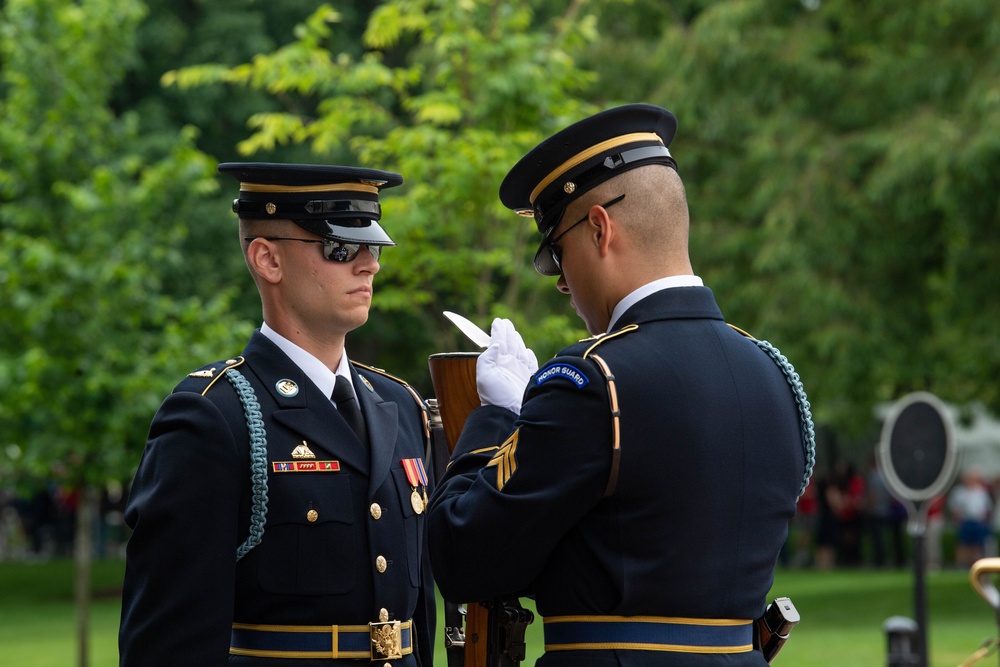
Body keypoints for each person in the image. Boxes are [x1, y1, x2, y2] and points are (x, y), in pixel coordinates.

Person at [427, 104, 815, 666]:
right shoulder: (774, 372)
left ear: (599, 229)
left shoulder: (590, 381)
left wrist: (499, 419)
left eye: (555, 253)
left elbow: (464, 556)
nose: (561, 282)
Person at [119, 163, 436, 667]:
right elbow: (168, 645)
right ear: (267, 259)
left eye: (371, 246)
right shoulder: (214, 417)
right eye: (340, 248)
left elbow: (418, 621)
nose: (368, 265)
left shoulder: (399, 403)